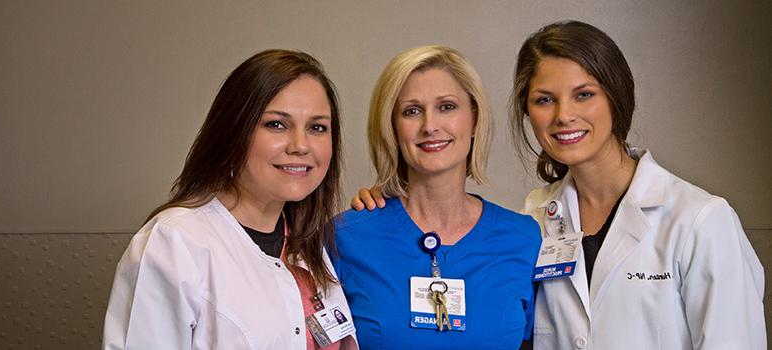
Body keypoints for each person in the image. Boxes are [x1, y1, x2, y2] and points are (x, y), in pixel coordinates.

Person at [354, 21, 766, 349]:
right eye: (544, 99)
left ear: (616, 97)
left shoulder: (699, 220)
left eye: (584, 94)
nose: (563, 116)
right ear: (527, 111)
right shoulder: (532, 219)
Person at [103, 49, 357, 349]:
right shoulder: (175, 242)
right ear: (234, 131)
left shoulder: (308, 244)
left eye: (317, 128)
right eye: (276, 124)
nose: (301, 145)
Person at [333, 45, 541, 349]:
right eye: (411, 111)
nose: (430, 126)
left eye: (446, 106)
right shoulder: (344, 238)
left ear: (474, 118)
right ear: (391, 127)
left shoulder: (523, 239)